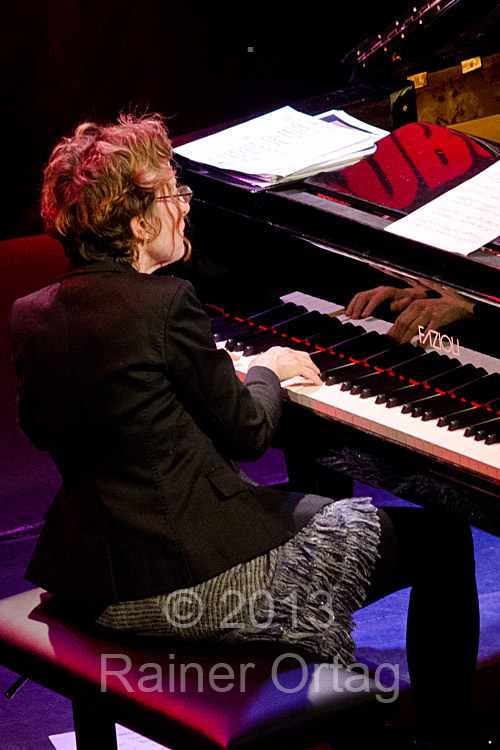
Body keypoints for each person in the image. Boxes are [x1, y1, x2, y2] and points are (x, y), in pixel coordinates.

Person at [8, 113, 479, 749]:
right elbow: (250, 434)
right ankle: (444, 741)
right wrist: (265, 370)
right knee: (443, 538)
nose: (185, 206)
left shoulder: (30, 314)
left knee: (304, 505)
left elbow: (44, 426)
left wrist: (168, 394)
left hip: (89, 572)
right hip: (186, 581)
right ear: (138, 223)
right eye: (173, 193)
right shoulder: (165, 304)